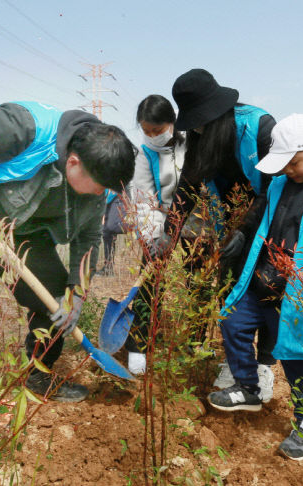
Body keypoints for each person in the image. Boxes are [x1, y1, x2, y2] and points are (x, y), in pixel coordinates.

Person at [0, 100, 136, 415]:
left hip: (23, 226)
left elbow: (89, 238)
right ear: (74, 162)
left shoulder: (98, 177)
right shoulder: (20, 129)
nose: (101, 195)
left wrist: (76, 294)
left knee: (52, 299)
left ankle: (40, 377)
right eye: (100, 188)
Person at [205, 113, 303, 461]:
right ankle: (248, 388)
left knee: (299, 360)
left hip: (299, 297)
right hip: (260, 280)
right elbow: (257, 216)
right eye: (284, 164)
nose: (289, 170)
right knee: (232, 322)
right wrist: (241, 234)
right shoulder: (278, 184)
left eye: (294, 162)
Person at [155, 68, 277, 400]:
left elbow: (273, 188)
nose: (196, 128)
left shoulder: (260, 128)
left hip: (270, 219)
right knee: (230, 288)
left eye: (200, 122)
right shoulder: (201, 136)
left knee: (268, 287)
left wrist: (247, 230)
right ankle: (236, 362)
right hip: (230, 222)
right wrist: (169, 232)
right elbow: (188, 186)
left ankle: (264, 366)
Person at [123, 94, 186, 374]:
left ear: (171, 124)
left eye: (157, 131)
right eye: (146, 131)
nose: (152, 137)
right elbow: (144, 198)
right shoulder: (143, 155)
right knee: (149, 282)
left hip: (197, 218)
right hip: (161, 217)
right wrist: (154, 237)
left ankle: (193, 345)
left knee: (200, 278)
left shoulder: (190, 143)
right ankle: (139, 345)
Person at [100, 188, 127, 276]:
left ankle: (136, 228)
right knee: (106, 231)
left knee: (110, 227)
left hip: (120, 194)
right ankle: (108, 267)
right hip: (110, 196)